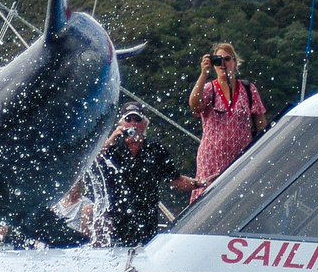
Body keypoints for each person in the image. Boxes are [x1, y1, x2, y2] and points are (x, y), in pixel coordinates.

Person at [97, 104, 200, 246]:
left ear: (144, 124)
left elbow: (176, 181)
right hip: (115, 224)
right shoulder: (111, 149)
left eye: (137, 120)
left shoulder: (155, 150)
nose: (133, 124)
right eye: (128, 119)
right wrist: (112, 138)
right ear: (121, 123)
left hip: (146, 222)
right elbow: (90, 163)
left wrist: (201, 184)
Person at [188, 42, 268, 201]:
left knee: (240, 201)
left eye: (227, 59)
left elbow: (261, 125)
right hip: (211, 161)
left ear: (235, 62)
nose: (223, 64)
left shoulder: (248, 89)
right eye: (218, 60)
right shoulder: (209, 89)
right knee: (207, 201)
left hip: (241, 159)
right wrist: (203, 74)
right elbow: (194, 104)